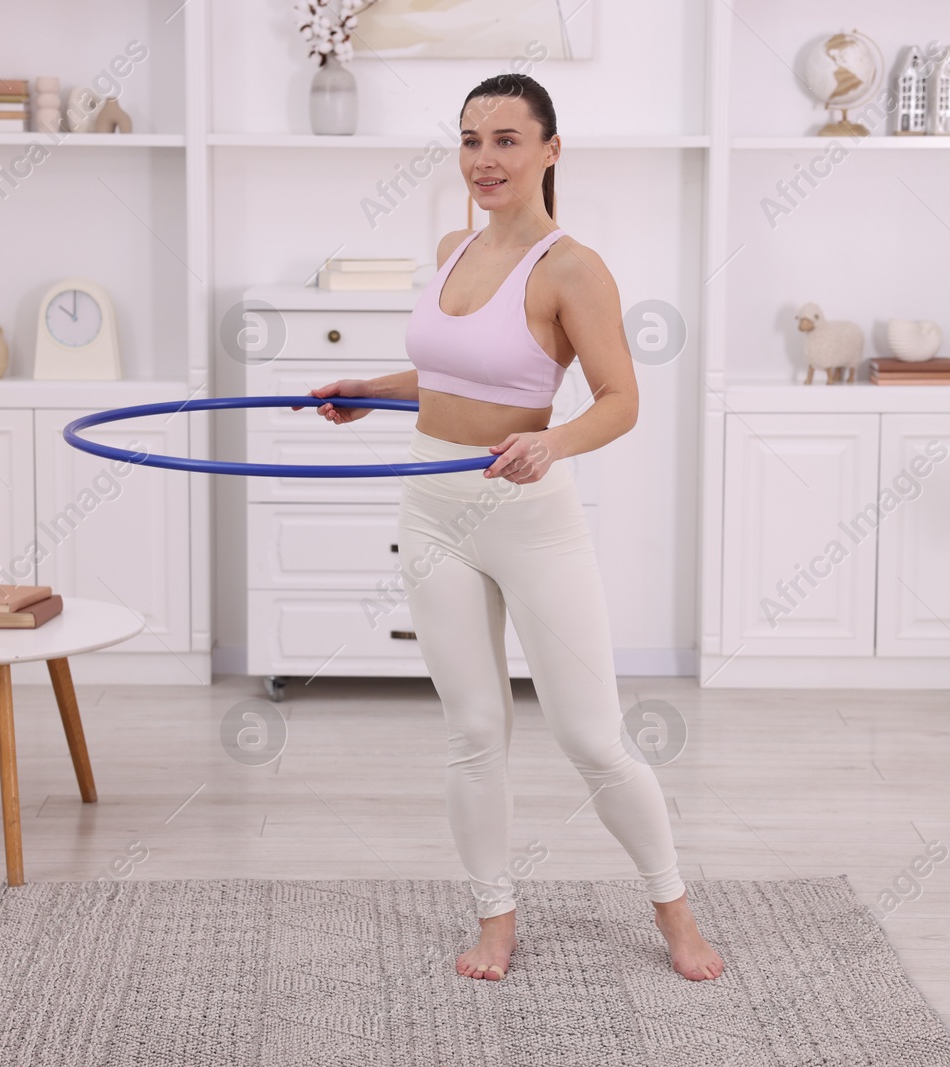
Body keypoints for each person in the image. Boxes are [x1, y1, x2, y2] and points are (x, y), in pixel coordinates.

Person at [299, 74, 723, 984]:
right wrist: (369, 394)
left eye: (505, 140)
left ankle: (676, 912)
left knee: (591, 735)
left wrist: (553, 442)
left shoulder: (573, 268)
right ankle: (496, 916)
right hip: (433, 508)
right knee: (472, 728)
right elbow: (454, 378)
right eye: (470, 140)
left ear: (549, 150)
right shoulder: (453, 246)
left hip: (528, 518)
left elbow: (621, 401)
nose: (483, 160)